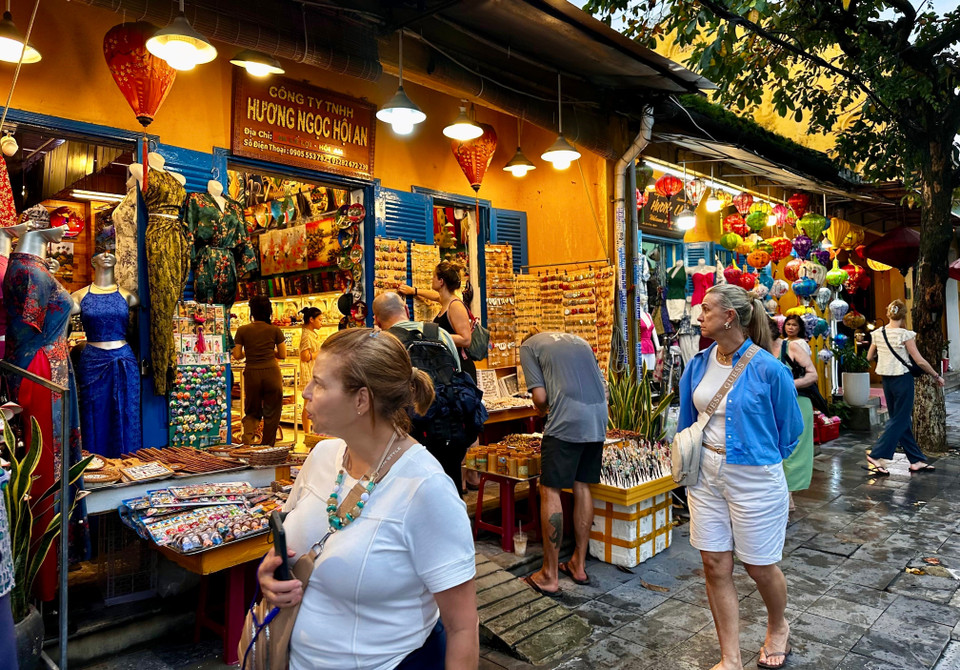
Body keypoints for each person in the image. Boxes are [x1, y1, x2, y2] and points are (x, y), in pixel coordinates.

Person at [257, 328, 478, 669]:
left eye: (320, 383)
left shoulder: (426, 489)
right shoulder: (321, 458)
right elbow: (287, 549)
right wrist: (271, 577)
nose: (305, 392)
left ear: (361, 400)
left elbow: (462, 627)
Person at [679, 284, 803, 670]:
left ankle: (778, 625)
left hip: (754, 476)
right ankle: (729, 658)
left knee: (759, 565)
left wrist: (764, 466)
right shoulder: (698, 363)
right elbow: (688, 419)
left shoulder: (770, 369)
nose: (700, 317)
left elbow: (791, 430)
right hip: (705, 475)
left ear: (729, 316)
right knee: (715, 565)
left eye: (706, 309)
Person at [518, 327, 607, 596]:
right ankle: (578, 565)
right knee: (582, 485)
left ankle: (549, 574)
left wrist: (541, 410)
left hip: (567, 418)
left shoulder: (528, 347)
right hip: (598, 416)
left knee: (550, 488)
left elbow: (541, 398)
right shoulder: (578, 340)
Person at [865, 299, 944, 475]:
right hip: (902, 379)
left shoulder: (878, 333)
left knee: (900, 420)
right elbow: (919, 361)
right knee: (901, 419)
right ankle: (877, 454)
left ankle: (915, 460)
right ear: (904, 315)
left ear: (888, 313)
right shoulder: (905, 335)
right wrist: (936, 375)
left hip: (886, 380)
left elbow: (870, 356)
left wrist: (884, 353)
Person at [767, 318, 818, 512]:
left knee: (794, 449)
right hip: (771, 406)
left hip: (797, 403)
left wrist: (788, 385)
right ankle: (781, 494)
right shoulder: (757, 351)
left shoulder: (792, 347)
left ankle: (787, 494)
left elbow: (812, 375)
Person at [398, 261, 476, 382]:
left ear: (441, 281)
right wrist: (414, 291)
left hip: (460, 369)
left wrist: (435, 336)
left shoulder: (455, 306)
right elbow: (435, 296)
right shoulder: (445, 300)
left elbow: (466, 340)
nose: (431, 279)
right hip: (448, 365)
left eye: (434, 276)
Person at [232, 295, 286, 446]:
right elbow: (282, 354)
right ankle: (267, 447)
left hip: (252, 373)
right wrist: (270, 352)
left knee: (252, 411)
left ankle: (247, 445)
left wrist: (249, 352)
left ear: (252, 311)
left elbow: (236, 355)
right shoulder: (275, 330)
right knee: (272, 413)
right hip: (272, 373)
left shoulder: (243, 330)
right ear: (269, 311)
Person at [298, 306, 323, 435]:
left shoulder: (311, 334)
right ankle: (307, 432)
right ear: (311, 319)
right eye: (319, 319)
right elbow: (304, 356)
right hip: (309, 372)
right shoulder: (307, 336)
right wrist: (319, 352)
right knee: (308, 404)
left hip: (314, 370)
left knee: (312, 403)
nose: (321, 322)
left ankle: (312, 431)